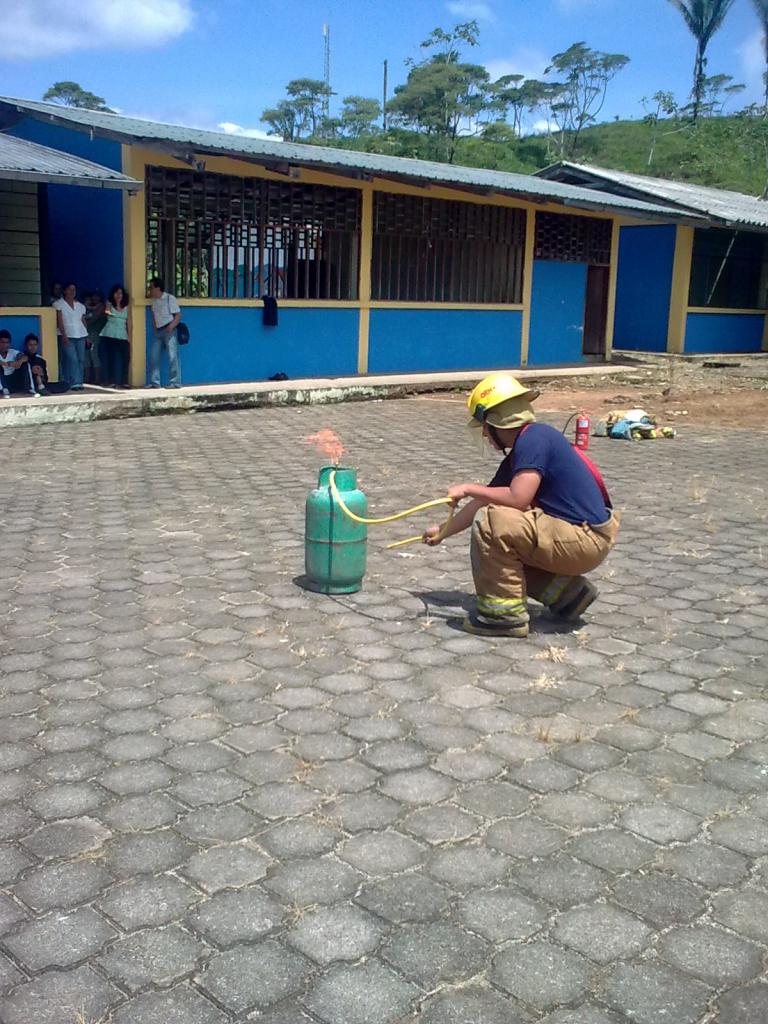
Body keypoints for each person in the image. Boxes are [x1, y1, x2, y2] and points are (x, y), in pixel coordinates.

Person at [423, 373, 620, 638]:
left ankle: (503, 618)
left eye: (484, 424)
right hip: (585, 538)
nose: (483, 432)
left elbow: (518, 498)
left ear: (498, 419)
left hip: (584, 540)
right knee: (503, 538)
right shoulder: (528, 445)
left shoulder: (533, 439)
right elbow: (486, 497)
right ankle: (568, 595)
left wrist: (468, 487)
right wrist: (443, 531)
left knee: (493, 522)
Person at [53, 283, 88, 390]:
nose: (72, 292)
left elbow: (83, 321)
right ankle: (73, 382)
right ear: (65, 291)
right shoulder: (58, 304)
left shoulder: (80, 306)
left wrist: (88, 335)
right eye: (70, 289)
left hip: (81, 334)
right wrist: (64, 336)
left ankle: (79, 381)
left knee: (81, 359)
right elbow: (60, 321)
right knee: (71, 359)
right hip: (67, 334)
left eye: (74, 290)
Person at [149, 277, 181, 388]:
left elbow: (178, 315)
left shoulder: (169, 298)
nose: (150, 290)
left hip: (169, 329)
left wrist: (171, 326)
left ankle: (175, 382)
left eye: (151, 288)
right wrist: (155, 328)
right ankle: (155, 382)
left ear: (158, 288)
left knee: (172, 356)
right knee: (153, 356)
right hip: (158, 330)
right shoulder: (154, 301)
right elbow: (153, 315)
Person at [100, 284, 131, 388]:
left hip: (122, 335)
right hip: (110, 334)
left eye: (120, 293)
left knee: (125, 358)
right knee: (111, 358)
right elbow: (107, 311)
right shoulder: (109, 303)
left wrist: (129, 336)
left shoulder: (127, 307)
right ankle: (111, 381)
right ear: (113, 294)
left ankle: (124, 381)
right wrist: (110, 313)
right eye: (116, 293)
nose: (118, 295)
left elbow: (129, 323)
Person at [0, 329, 35, 398]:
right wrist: (2, 363)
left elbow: (25, 357)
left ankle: (29, 389)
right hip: (2, 381)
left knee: (25, 364)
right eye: (2, 342)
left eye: (7, 343)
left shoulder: (12, 352)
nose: (5, 345)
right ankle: (3, 390)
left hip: (13, 380)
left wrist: (18, 362)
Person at [83, 289, 107, 385]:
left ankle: (97, 378)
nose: (94, 298)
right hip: (87, 333)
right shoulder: (88, 308)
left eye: (97, 296)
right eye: (93, 296)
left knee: (94, 354)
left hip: (95, 334)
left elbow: (93, 319)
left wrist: (82, 323)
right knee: (86, 355)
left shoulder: (101, 306)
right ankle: (87, 377)